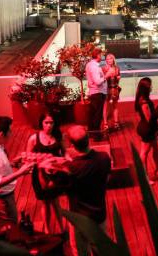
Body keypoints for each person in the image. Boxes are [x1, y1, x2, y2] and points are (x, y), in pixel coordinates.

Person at [64, 125, 111, 256]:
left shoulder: (71, 168)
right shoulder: (104, 158)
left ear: (72, 145)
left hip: (79, 219)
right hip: (99, 215)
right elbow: (107, 179)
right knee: (100, 250)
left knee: (80, 251)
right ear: (89, 139)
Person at [0, 116, 33, 221]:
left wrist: (11, 163)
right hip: (1, 201)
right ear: (1, 134)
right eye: (9, 131)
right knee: (9, 229)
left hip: (3, 197)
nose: (11, 133)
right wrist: (20, 172)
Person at [26, 113, 64, 234]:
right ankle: (47, 230)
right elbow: (28, 157)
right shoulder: (33, 138)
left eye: (51, 122)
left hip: (55, 173)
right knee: (45, 203)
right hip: (40, 175)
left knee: (56, 202)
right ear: (41, 123)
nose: (49, 125)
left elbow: (64, 153)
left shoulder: (58, 136)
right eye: (46, 122)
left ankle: (62, 228)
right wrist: (39, 162)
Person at [135, 77, 158, 183]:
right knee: (144, 153)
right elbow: (149, 118)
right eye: (150, 85)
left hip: (147, 128)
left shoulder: (141, 98)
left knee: (155, 149)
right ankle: (144, 176)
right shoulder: (144, 102)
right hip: (148, 129)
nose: (151, 87)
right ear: (146, 88)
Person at [85, 48, 108, 131]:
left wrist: (102, 71)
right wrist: (106, 76)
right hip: (97, 93)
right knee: (97, 115)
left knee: (93, 114)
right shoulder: (94, 66)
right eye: (101, 55)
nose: (102, 56)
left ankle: (92, 132)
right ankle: (96, 134)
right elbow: (98, 81)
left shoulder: (89, 64)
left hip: (93, 93)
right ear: (98, 55)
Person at [102, 53, 121, 131]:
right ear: (106, 60)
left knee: (115, 106)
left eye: (111, 58)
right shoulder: (103, 69)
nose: (109, 60)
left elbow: (117, 80)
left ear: (113, 59)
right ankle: (105, 124)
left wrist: (118, 78)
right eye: (107, 59)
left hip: (114, 89)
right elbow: (102, 80)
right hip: (106, 89)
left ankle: (116, 123)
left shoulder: (117, 68)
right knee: (105, 107)